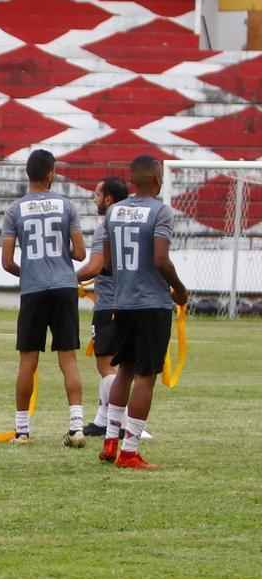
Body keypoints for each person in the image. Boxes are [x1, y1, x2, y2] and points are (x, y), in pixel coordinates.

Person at [99, 156, 187, 470]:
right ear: (156, 179)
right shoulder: (160, 211)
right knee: (145, 377)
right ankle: (130, 450)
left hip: (122, 302)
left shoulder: (113, 211)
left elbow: (108, 263)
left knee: (124, 369)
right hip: (151, 303)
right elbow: (161, 259)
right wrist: (179, 288)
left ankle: (110, 441)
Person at [0, 149, 87, 447]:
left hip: (33, 289)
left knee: (28, 360)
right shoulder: (66, 206)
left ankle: (22, 430)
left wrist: (30, 272)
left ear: (28, 173)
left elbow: (7, 262)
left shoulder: (15, 210)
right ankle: (76, 426)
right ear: (51, 172)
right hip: (64, 287)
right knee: (68, 358)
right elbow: (80, 253)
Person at [75, 177, 129, 437]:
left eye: (97, 194)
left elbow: (95, 267)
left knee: (106, 366)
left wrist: (67, 278)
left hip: (108, 303)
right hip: (133, 302)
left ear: (108, 199)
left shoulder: (105, 227)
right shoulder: (133, 226)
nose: (94, 198)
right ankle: (101, 420)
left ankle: (120, 423)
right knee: (126, 366)